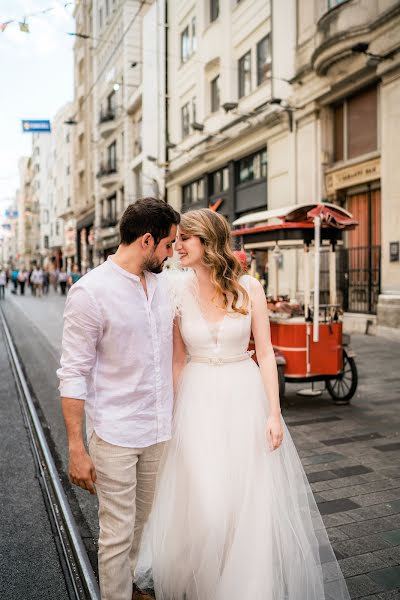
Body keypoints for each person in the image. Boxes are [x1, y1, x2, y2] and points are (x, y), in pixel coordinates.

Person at [136, 209, 350, 600]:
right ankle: (198, 580)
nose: (177, 246)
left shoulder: (249, 287)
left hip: (243, 397)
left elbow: (266, 354)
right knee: (206, 503)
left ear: (210, 242)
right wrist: (172, 414)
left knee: (243, 502)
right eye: (176, 239)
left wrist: (274, 413)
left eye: (186, 238)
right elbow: (177, 360)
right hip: (196, 402)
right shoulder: (174, 291)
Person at [57, 198, 180, 600]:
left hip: (159, 429)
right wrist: (76, 447)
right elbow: (72, 373)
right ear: (147, 240)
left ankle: (127, 587)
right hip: (116, 434)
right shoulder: (90, 293)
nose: (171, 253)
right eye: (167, 245)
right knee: (115, 533)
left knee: (140, 526)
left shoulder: (165, 285)